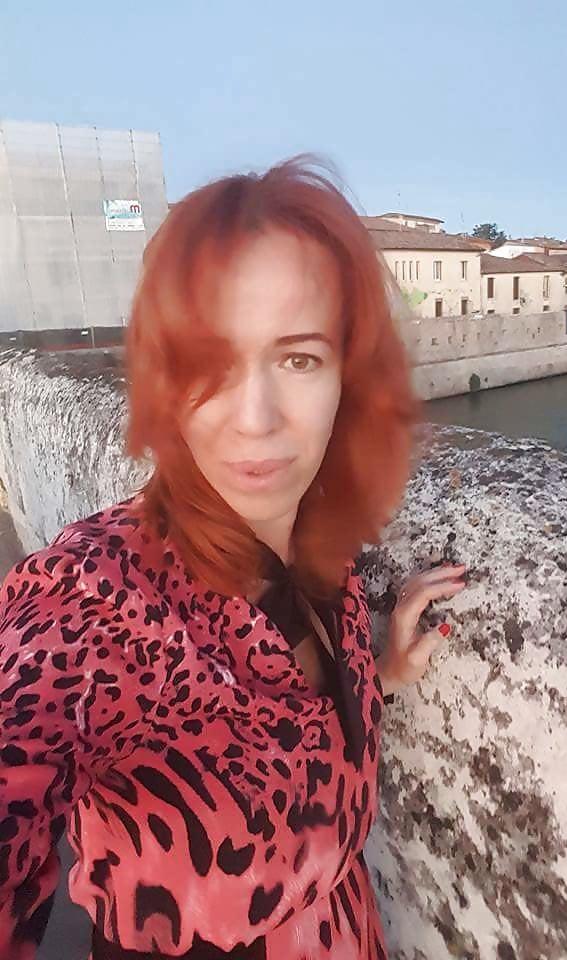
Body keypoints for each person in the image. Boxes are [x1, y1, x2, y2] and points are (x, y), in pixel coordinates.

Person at [0, 157, 467, 960]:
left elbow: (294, 739)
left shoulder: (325, 557)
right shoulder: (101, 600)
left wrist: (379, 673)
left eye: (298, 359)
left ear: (348, 380)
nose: (254, 419)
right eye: (209, 365)